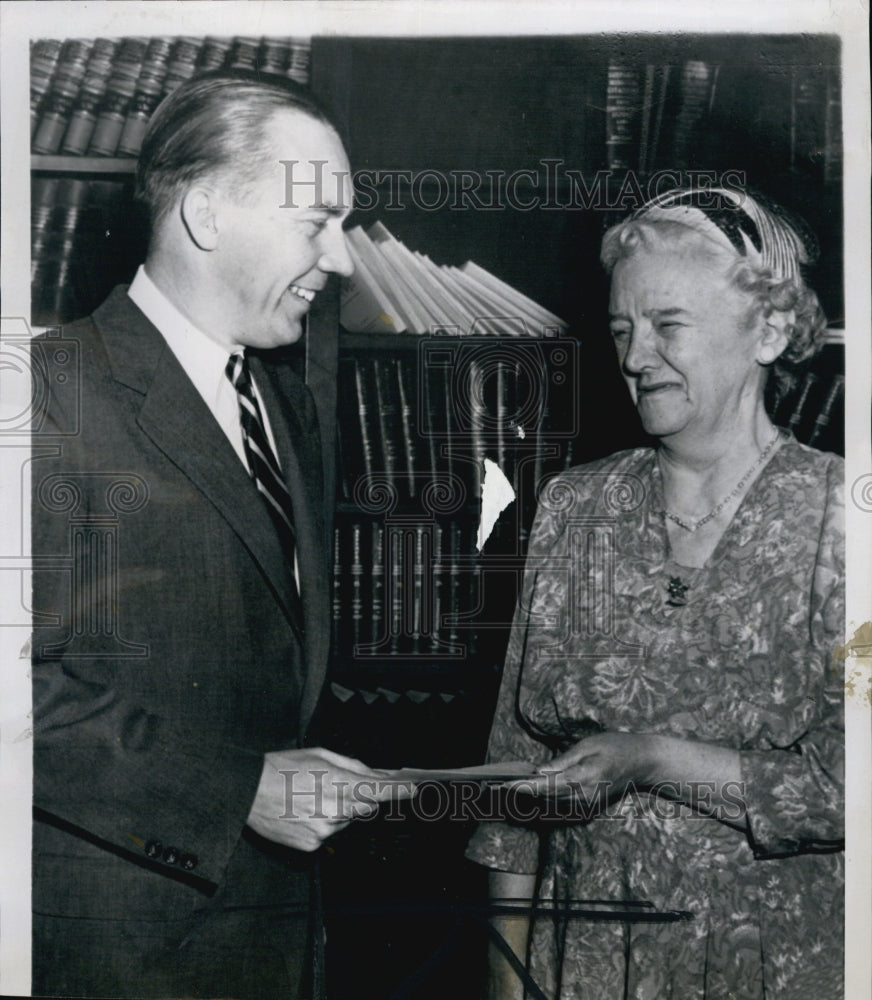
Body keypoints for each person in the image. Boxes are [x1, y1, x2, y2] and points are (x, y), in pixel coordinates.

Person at [30, 70, 408, 999]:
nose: (346, 263)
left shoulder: (286, 407)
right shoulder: (42, 396)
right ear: (205, 213)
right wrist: (237, 789)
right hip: (116, 957)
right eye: (314, 221)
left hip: (277, 947)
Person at [466, 186, 845, 999]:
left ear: (770, 330)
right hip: (586, 970)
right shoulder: (574, 508)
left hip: (776, 967)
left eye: (668, 325)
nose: (636, 357)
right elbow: (514, 782)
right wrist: (506, 980)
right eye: (621, 330)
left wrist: (652, 760)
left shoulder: (844, 520)